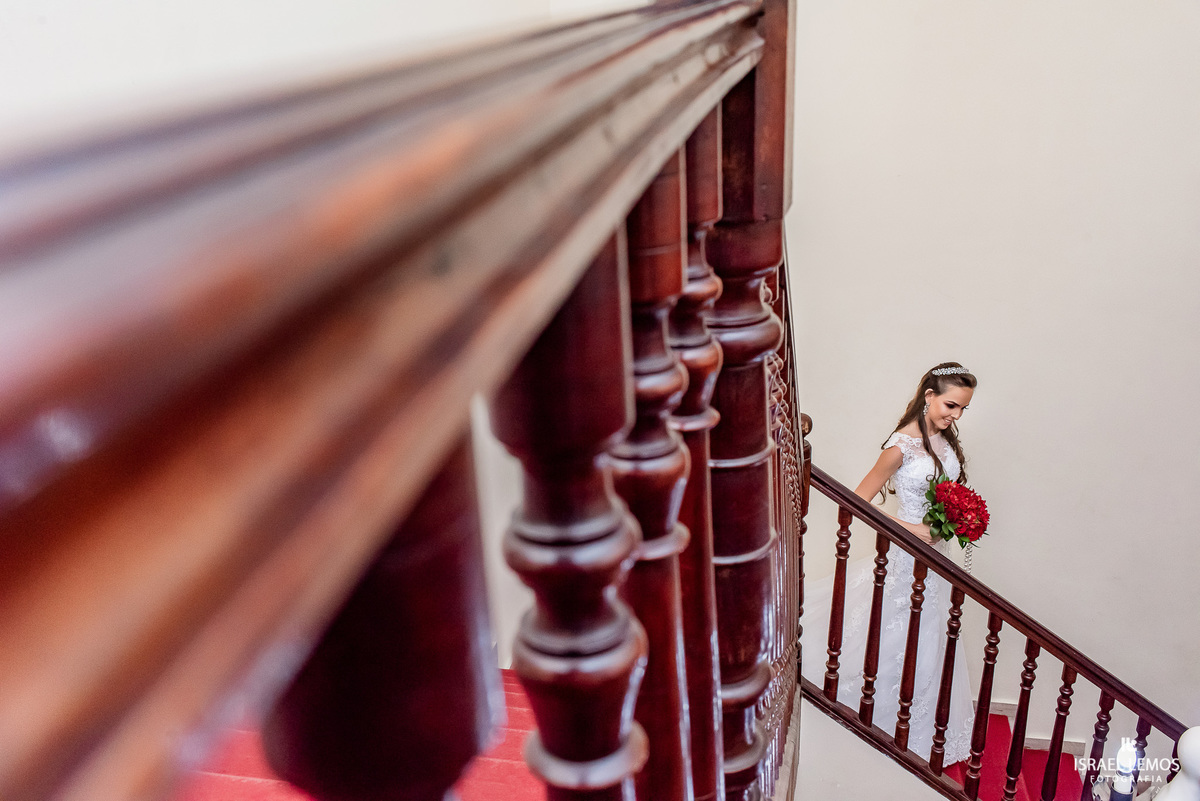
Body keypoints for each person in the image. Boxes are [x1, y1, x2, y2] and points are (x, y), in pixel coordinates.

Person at [801, 362, 978, 766]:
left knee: (931, 629)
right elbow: (858, 501)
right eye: (952, 404)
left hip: (937, 556)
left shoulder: (946, 442)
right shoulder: (900, 447)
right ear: (929, 395)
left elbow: (945, 495)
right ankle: (879, 720)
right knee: (896, 628)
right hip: (905, 553)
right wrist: (914, 530)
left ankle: (920, 725)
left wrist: (955, 519)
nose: (956, 415)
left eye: (964, 409)